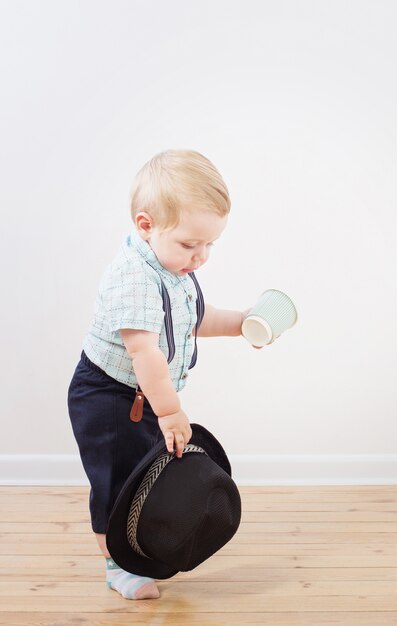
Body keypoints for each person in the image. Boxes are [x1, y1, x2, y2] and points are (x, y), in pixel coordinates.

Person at [68, 149, 252, 601]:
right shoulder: (134, 276)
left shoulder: (172, 266)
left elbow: (193, 319)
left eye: (210, 244)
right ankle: (118, 563)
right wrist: (170, 412)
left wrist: (240, 323)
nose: (201, 256)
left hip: (143, 394)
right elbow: (144, 351)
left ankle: (140, 546)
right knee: (116, 479)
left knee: (147, 473)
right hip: (111, 396)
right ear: (146, 225)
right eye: (191, 244)